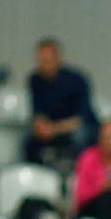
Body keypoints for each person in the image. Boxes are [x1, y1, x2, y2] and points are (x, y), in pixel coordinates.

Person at [25, 37, 97, 167]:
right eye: (41, 60)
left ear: (58, 59)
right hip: (51, 129)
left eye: (48, 60)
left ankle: (81, 172)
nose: (44, 65)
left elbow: (81, 118)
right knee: (28, 138)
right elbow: (37, 111)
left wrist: (54, 129)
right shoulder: (34, 80)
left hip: (72, 128)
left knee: (80, 136)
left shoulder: (77, 80)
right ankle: (37, 173)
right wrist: (40, 125)